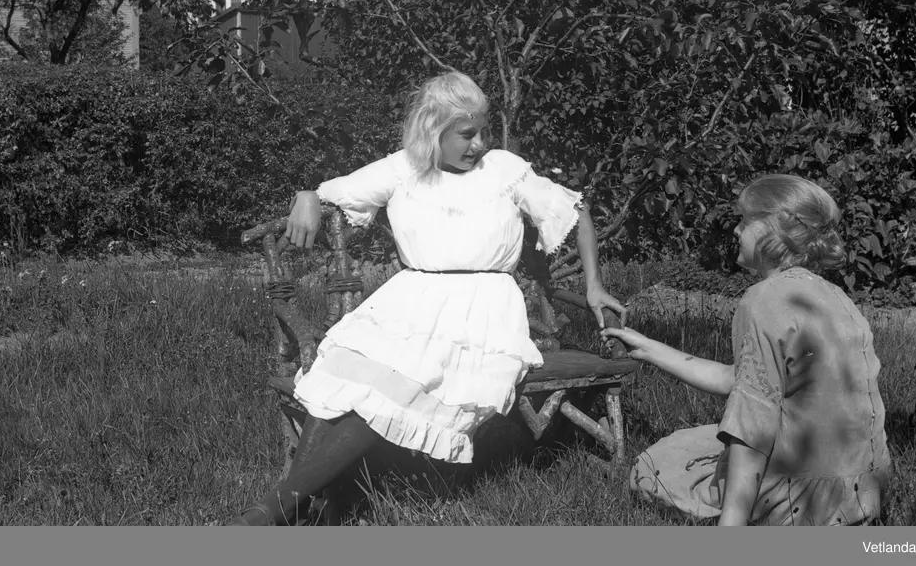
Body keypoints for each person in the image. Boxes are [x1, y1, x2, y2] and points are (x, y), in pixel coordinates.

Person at [229, 70, 627, 525]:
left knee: (396, 383)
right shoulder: (404, 169)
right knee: (344, 372)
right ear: (433, 130)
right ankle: (299, 508)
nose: (478, 144)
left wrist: (594, 285)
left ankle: (269, 515)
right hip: (411, 301)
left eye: (482, 131)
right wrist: (307, 194)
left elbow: (575, 210)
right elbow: (333, 193)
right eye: (466, 134)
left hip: (481, 309)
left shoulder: (503, 170)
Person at [603, 174, 892, 526]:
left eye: (744, 220)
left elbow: (752, 430)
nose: (736, 229)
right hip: (861, 493)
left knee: (656, 466)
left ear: (775, 228)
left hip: (799, 504)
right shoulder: (835, 297)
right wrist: (646, 347)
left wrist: (732, 526)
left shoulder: (763, 300)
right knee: (699, 439)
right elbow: (736, 379)